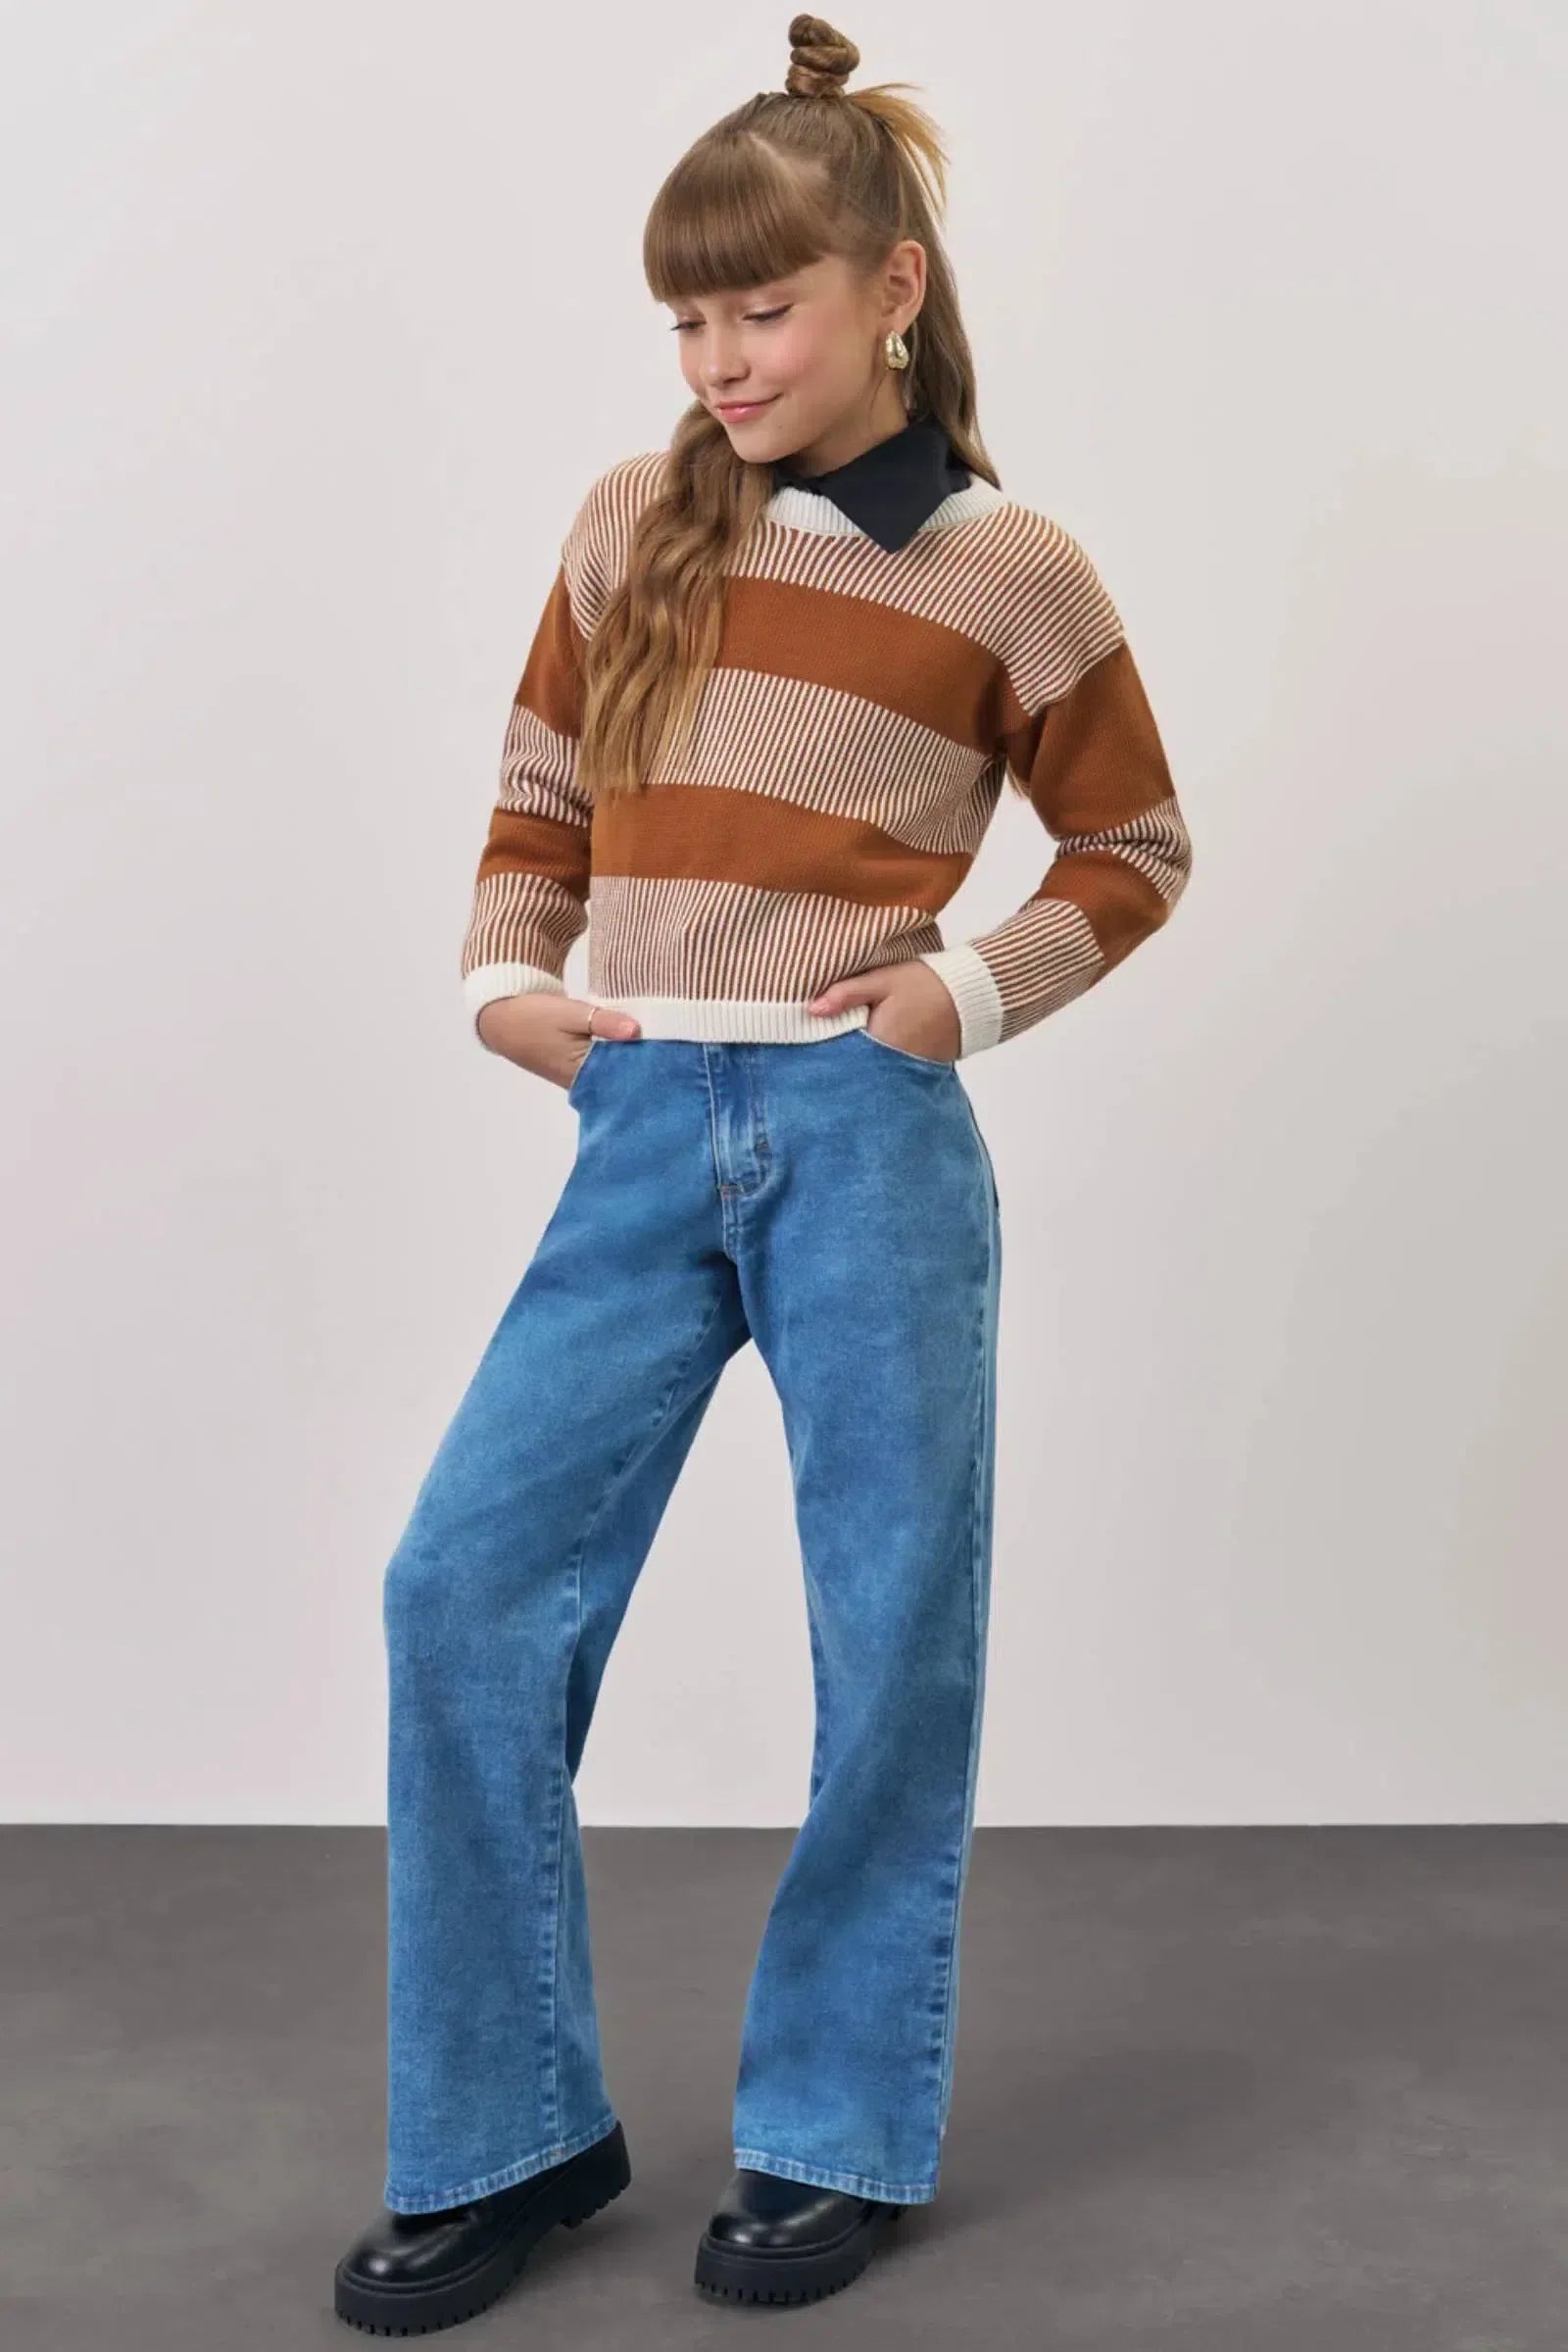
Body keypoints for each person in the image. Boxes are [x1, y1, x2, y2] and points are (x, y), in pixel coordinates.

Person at [333, 11, 1194, 2330]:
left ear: (891, 291)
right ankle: (506, 2134)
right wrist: (500, 983)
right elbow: (536, 793)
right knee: (460, 1588)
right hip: (638, 1124)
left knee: (887, 1632)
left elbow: (1131, 841)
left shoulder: (1009, 570)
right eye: (686, 320)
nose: (718, 360)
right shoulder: (628, 524)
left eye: (761, 310)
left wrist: (963, 993)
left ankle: (832, 2135)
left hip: (862, 1136)